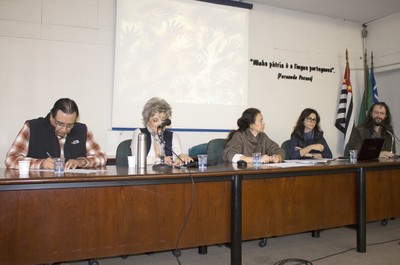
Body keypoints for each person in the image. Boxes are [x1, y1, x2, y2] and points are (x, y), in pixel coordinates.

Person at [5, 98, 107, 169]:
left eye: (70, 125)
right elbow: (11, 159)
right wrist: (41, 164)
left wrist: (81, 162)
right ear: (51, 116)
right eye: (60, 124)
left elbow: (101, 157)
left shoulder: (82, 130)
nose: (64, 129)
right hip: (39, 188)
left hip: (74, 187)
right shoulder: (32, 127)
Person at [130, 97, 193, 166]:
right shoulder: (140, 134)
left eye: (163, 120)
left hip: (167, 174)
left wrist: (181, 157)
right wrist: (161, 160)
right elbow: (136, 159)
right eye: (155, 120)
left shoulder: (173, 136)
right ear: (147, 121)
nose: (160, 124)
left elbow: (176, 157)